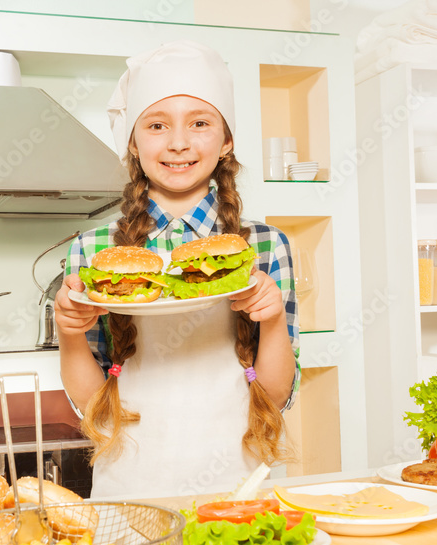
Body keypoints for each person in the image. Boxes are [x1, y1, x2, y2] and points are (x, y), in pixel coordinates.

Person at [54, 40, 300, 499]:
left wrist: (271, 320)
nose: (178, 142)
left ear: (226, 141)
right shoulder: (96, 251)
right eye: (157, 125)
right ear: (133, 142)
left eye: (200, 123)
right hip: (130, 478)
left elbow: (275, 394)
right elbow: (92, 404)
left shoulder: (266, 246)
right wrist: (69, 330)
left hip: (241, 478)